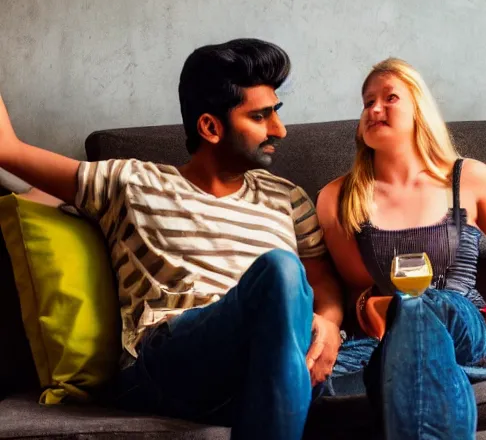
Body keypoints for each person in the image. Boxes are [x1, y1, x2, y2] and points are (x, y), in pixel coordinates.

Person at [0, 39, 343, 440]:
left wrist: (332, 324)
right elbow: (8, 150)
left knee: (297, 297)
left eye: (276, 113)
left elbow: (321, 285)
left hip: (272, 361)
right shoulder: (130, 183)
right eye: (261, 117)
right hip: (173, 364)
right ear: (211, 127)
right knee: (280, 268)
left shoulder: (288, 197)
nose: (279, 130)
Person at [316, 58, 486, 439]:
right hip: (386, 335)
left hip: (464, 322)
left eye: (390, 98)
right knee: (311, 373)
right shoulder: (337, 197)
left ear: (419, 108)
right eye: (367, 101)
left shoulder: (468, 177)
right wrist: (367, 308)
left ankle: (471, 361)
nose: (374, 109)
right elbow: (358, 291)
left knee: (432, 303)